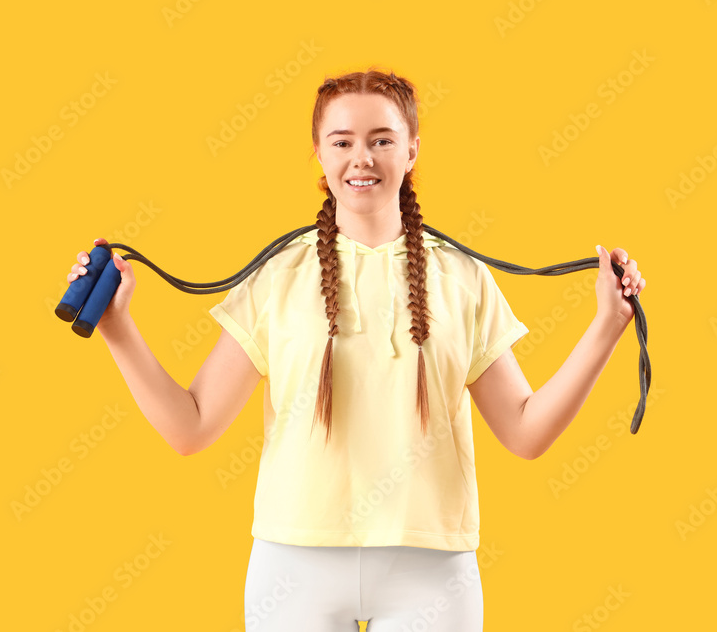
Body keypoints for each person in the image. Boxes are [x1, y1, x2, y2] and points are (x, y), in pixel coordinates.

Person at [64, 68, 646, 631]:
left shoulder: (463, 276)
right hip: (294, 562)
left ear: (412, 151)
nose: (361, 157)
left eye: (382, 140)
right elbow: (190, 427)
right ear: (319, 153)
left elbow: (525, 432)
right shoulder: (277, 276)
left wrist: (606, 327)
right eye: (342, 140)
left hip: (432, 568)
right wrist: (118, 328)